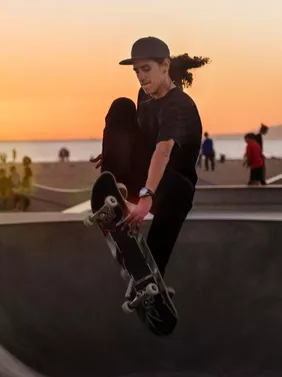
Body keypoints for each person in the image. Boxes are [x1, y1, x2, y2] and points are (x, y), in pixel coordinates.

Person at [91, 36, 207, 336]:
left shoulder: (179, 105)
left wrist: (145, 197)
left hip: (168, 185)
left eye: (146, 69)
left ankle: (151, 279)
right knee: (120, 105)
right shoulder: (144, 97)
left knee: (182, 190)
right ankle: (114, 191)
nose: (142, 77)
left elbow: (163, 151)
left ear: (165, 66)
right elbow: (139, 136)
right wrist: (115, 151)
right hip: (140, 176)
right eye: (137, 72)